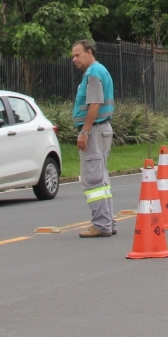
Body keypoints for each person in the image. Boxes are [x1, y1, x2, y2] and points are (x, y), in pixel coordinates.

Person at [71, 39, 115, 238]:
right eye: (73, 56)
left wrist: (85, 132)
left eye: (78, 55)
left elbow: (95, 104)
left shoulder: (93, 73)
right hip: (101, 130)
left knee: (93, 179)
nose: (74, 59)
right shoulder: (99, 71)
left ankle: (101, 224)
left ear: (90, 52)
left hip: (95, 131)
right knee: (101, 178)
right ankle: (108, 221)